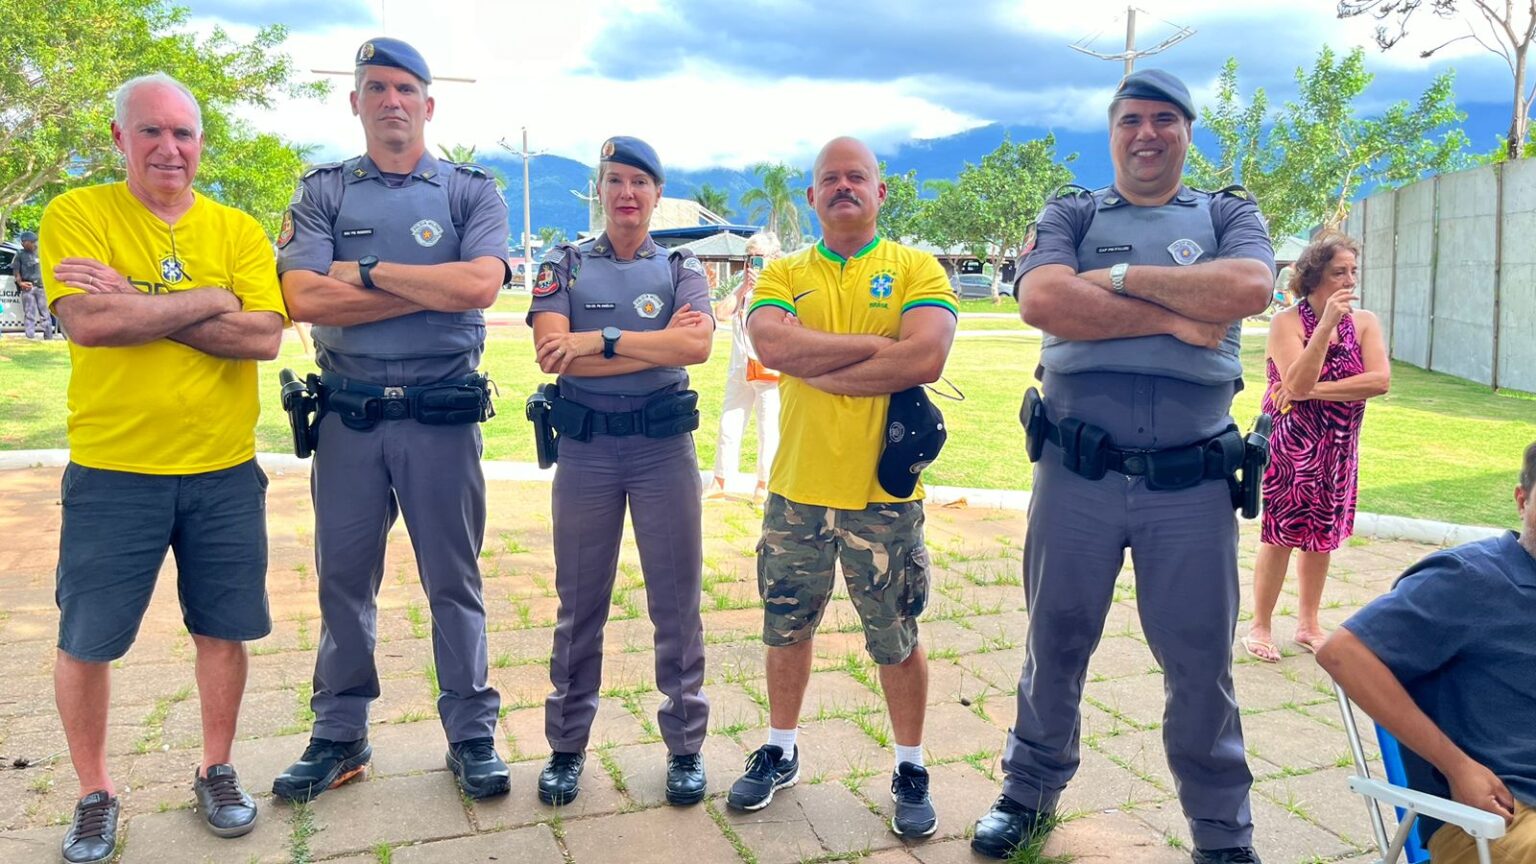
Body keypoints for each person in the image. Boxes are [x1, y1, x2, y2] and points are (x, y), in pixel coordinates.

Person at [972, 70, 1274, 864]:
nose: (1147, 134)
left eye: (1164, 120)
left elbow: (1246, 285)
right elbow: (1043, 302)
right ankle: (1026, 796)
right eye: (1131, 120)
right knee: (1054, 643)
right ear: (1112, 132)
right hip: (1078, 477)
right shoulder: (1073, 210)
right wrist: (1180, 316)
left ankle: (1222, 835)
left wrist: (1111, 283)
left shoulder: (1225, 212)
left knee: (1200, 664)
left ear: (1186, 131)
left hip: (1192, 485)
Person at [39, 72, 286, 863]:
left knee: (224, 630)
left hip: (223, 470)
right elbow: (90, 321)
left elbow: (262, 338)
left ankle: (215, 768)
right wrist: (210, 298)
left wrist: (144, 304)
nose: (169, 148)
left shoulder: (239, 230)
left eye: (183, 133)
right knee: (88, 640)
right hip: (115, 470)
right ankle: (94, 794)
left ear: (201, 142)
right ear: (119, 139)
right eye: (150, 131)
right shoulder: (75, 214)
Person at [272, 38, 511, 803]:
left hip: (442, 415)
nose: (392, 101)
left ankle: (471, 735)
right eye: (376, 88)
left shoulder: (471, 192)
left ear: (429, 104)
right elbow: (304, 299)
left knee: (455, 582)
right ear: (355, 102)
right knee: (344, 583)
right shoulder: (323, 193)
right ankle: (340, 736)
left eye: (406, 88)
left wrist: (367, 272)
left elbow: (479, 287)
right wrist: (429, 287)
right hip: (349, 415)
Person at [728, 136, 958, 839]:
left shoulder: (915, 266)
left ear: (881, 192)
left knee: (895, 634)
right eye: (830, 179)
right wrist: (880, 354)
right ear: (812, 196)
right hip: (797, 488)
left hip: (883, 495)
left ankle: (910, 764)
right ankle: (780, 747)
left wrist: (818, 364)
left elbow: (928, 354)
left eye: (857, 176)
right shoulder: (782, 271)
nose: (844, 187)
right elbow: (772, 346)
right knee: (786, 625)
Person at [528, 136, 716, 807]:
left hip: (662, 450)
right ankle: (567, 745)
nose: (627, 194)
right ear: (599, 192)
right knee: (579, 602)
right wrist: (643, 346)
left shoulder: (682, 266)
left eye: (639, 181)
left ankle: (686, 746)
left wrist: (599, 341)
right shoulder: (564, 263)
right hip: (587, 452)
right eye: (614, 181)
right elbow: (554, 353)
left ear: (657, 193)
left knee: (676, 601)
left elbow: (694, 344)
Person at [1318, 441, 1536, 864]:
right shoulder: (1469, 579)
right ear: (1521, 499)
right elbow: (1342, 653)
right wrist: (1458, 768)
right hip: (1494, 816)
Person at [1242, 234, 1390, 663]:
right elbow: (1295, 381)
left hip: (1339, 448)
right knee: (1280, 536)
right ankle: (1261, 626)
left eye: (1353, 271)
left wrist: (1312, 390)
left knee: (1321, 539)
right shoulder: (1287, 322)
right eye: (1338, 272)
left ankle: (1308, 624)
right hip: (1293, 448)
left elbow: (1378, 381)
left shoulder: (1365, 322)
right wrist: (1324, 327)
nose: (1349, 280)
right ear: (1313, 277)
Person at [706, 231, 783, 504]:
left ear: (773, 258)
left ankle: (763, 484)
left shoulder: (781, 284)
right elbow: (721, 313)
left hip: (768, 370)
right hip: (739, 367)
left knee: (768, 428)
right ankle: (720, 480)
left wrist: (762, 288)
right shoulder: (744, 285)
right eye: (749, 258)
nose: (752, 264)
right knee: (729, 423)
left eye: (758, 258)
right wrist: (743, 289)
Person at [13, 230, 54, 339]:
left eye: (24, 242)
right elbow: (16, 271)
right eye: (21, 242)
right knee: (29, 313)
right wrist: (20, 282)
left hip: (42, 288)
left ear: (31, 242)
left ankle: (48, 338)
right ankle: (30, 338)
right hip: (28, 288)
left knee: (45, 314)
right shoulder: (20, 254)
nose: (22, 244)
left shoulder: (43, 252)